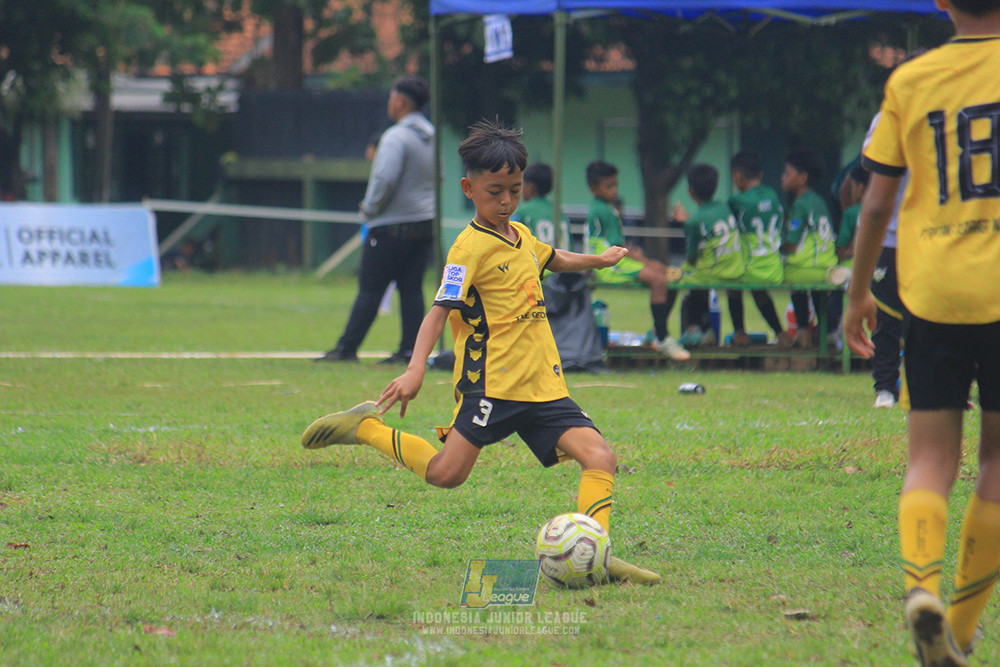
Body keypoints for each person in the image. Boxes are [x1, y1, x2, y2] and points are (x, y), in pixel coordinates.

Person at [302, 119, 661, 585]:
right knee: (446, 474)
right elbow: (436, 312)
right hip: (492, 384)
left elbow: (553, 257)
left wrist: (601, 259)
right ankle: (366, 429)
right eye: (495, 192)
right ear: (470, 188)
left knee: (600, 458)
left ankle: (597, 550)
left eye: (514, 190)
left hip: (542, 384)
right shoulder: (467, 250)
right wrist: (415, 370)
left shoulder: (522, 235)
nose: (506, 201)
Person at [844, 1, 1000, 664]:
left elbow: (876, 199)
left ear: (942, 2)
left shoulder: (910, 80)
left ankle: (921, 589)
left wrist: (857, 294)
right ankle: (960, 628)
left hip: (932, 290)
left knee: (930, 459)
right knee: (996, 460)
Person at [315, 75, 435, 365]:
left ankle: (346, 348)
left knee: (370, 288)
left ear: (401, 101)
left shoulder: (395, 137)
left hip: (392, 225)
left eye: (392, 96)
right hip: (424, 222)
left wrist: (369, 208)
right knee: (411, 289)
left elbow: (384, 178)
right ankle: (409, 350)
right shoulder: (431, 137)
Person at [584, 160, 689, 360]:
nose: (614, 190)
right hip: (607, 264)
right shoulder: (604, 210)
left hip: (612, 259)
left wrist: (644, 259)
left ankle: (657, 333)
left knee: (667, 276)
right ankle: (662, 338)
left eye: (615, 185)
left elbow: (619, 244)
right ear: (593, 188)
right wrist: (648, 262)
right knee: (659, 278)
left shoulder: (605, 207)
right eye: (609, 186)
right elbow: (618, 249)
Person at [667, 164, 744, 346]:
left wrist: (684, 223)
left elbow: (692, 258)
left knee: (678, 277)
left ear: (690, 191)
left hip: (716, 272)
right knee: (697, 277)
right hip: (735, 269)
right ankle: (708, 329)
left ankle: (674, 330)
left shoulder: (695, 221)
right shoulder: (725, 208)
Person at [725, 150, 790, 346]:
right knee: (758, 290)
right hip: (775, 267)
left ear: (737, 176)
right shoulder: (772, 195)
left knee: (731, 284)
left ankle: (739, 333)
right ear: (760, 175)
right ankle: (780, 333)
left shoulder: (736, 202)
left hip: (751, 268)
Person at [780, 149, 837, 348]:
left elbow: (792, 243)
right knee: (817, 292)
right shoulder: (819, 201)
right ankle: (828, 332)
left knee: (788, 275)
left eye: (787, 173)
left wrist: (777, 252)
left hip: (808, 269)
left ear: (802, 178)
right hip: (826, 266)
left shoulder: (800, 205)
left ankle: (803, 331)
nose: (782, 178)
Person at [512, 162, 570, 249]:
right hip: (564, 258)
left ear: (531, 187)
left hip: (539, 260)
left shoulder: (523, 211)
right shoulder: (559, 212)